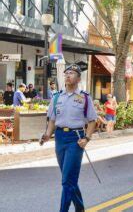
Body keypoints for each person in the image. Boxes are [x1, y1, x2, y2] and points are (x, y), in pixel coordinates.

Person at [41, 64, 98, 212]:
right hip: (60, 137)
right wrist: (47, 134)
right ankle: (79, 207)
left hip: (76, 138)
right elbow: (52, 120)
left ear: (78, 78)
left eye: (72, 73)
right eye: (66, 73)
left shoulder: (84, 98)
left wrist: (87, 138)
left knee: (67, 180)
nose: (68, 75)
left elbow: (92, 120)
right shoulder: (56, 97)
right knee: (69, 178)